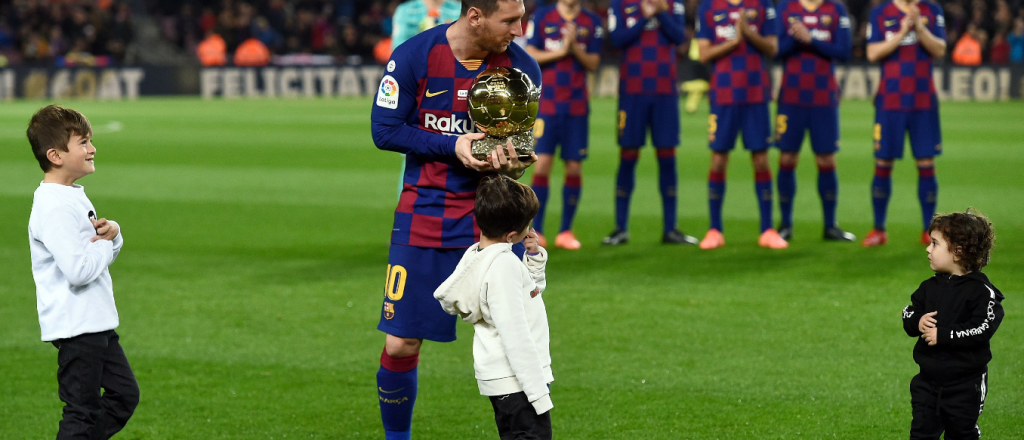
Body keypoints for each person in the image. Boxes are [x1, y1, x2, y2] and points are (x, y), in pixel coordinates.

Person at [369, 1, 541, 439]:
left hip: (494, 222)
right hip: (424, 211)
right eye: (509, 20)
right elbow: (384, 130)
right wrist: (455, 146)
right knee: (401, 342)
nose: (519, 29)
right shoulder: (414, 55)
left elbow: (517, 157)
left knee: (514, 344)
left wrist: (512, 162)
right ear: (476, 16)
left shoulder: (521, 71)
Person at [26, 104, 139, 439]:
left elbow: (95, 253)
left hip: (95, 321)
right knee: (81, 412)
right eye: (83, 142)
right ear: (56, 155)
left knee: (123, 396)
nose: (92, 149)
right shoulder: (54, 206)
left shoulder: (71, 195)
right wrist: (105, 245)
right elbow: (78, 270)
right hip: (76, 326)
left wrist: (113, 235)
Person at [434, 175, 552, 440]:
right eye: (527, 225)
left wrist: (533, 259)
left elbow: (528, 294)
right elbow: (515, 334)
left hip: (502, 382)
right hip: (520, 384)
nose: (530, 229)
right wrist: (538, 393)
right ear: (511, 235)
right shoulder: (503, 266)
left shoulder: (479, 257)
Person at [901, 209, 1003, 439]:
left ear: (957, 252)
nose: (928, 249)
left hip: (966, 386)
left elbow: (983, 328)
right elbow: (908, 312)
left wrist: (944, 335)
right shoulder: (929, 287)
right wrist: (918, 321)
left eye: (935, 244)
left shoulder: (981, 292)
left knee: (961, 433)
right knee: (921, 433)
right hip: (927, 382)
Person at [604, 0, 699, 246]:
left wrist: (661, 13)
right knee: (628, 156)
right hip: (632, 92)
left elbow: (680, 39)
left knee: (667, 157)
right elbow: (617, 40)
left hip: (665, 92)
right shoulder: (621, 4)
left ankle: (670, 229)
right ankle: (620, 229)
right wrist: (645, 18)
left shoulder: (672, 4)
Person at [695, 0, 787, 249]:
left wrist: (748, 33)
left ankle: (767, 229)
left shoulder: (763, 5)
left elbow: (773, 47)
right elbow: (704, 53)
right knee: (718, 159)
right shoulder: (708, 7)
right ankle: (715, 229)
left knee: (760, 159)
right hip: (723, 94)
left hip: (755, 93)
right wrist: (733, 42)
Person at [862, 0, 946, 247]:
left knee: (926, 163)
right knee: (883, 162)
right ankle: (879, 229)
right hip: (889, 100)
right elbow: (872, 52)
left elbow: (940, 50)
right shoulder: (880, 13)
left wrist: (919, 26)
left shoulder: (932, 11)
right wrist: (902, 31)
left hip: (923, 101)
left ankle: (927, 230)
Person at [774, 0, 855, 242]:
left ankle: (830, 225)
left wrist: (811, 40)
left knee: (826, 158)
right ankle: (785, 224)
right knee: (787, 157)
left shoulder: (836, 9)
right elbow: (775, 50)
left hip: (823, 96)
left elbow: (844, 52)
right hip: (791, 96)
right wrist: (794, 39)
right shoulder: (786, 8)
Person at [524, 0, 603, 250]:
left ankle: (566, 231)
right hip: (546, 105)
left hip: (577, 106)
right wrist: (561, 51)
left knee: (573, 168)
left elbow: (593, 63)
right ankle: (538, 229)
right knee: (542, 166)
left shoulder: (592, 22)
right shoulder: (543, 17)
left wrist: (574, 48)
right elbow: (531, 54)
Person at [390, 0, 463, 197]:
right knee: (413, 156)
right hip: (417, 94)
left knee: (456, 154)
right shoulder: (407, 11)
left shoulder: (458, 8)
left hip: (453, 92)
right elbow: (399, 50)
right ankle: (409, 210)